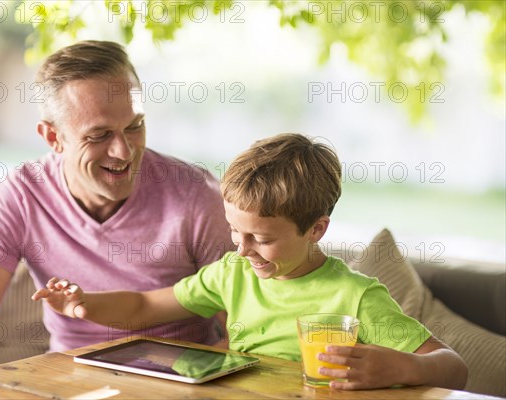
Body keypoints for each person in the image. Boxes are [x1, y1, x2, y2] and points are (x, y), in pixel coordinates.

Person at [32, 133, 468, 390]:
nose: (242, 249)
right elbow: (146, 307)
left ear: (316, 230)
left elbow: (454, 368)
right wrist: (83, 303)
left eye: (261, 239)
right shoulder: (231, 274)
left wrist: (407, 366)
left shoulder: (354, 296)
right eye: (235, 232)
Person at [0, 41, 234, 382]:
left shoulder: (197, 196)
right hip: (69, 386)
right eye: (99, 135)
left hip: (179, 385)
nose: (123, 151)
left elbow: (243, 331)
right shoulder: (17, 200)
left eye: (134, 126)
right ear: (53, 137)